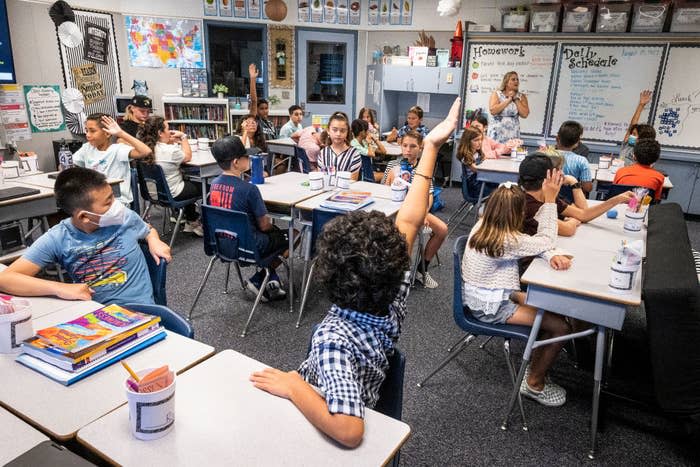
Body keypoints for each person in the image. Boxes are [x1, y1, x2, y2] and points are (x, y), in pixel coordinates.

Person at [249, 98, 461, 448]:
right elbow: (409, 218)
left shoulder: (333, 339)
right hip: (365, 389)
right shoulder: (393, 292)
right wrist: (432, 146)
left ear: (328, 274)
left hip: (320, 415)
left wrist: (293, 385)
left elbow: (349, 431)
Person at [461, 174, 572, 406]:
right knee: (560, 326)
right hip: (492, 307)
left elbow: (535, 242)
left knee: (553, 311)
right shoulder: (506, 240)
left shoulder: (485, 225)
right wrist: (550, 201)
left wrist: (550, 254)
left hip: (490, 295)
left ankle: (536, 365)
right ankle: (534, 383)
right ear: (517, 214)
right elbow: (546, 240)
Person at [0, 167, 171, 305]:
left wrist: (153, 239)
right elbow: (6, 279)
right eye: (108, 202)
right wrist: (59, 288)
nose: (117, 206)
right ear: (84, 216)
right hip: (92, 314)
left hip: (140, 313)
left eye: (113, 197)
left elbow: (146, 229)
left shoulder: (125, 217)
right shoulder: (59, 237)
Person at [208, 136, 287, 301]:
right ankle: (260, 279)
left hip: (223, 244)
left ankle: (268, 277)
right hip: (249, 247)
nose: (249, 159)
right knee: (293, 233)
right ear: (236, 162)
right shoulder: (249, 189)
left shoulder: (213, 185)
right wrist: (274, 228)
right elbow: (265, 227)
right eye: (246, 156)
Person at [382, 130, 447, 289]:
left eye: (413, 146)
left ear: (421, 148)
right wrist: (392, 179)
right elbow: (384, 189)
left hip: (417, 211)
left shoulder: (424, 167)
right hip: (393, 210)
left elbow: (429, 195)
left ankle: (420, 270)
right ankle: (392, 274)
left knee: (442, 230)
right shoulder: (393, 165)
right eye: (405, 145)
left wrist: (424, 213)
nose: (408, 150)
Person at [519, 154, 633, 237]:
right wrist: (573, 221)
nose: (562, 174)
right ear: (549, 178)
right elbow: (568, 230)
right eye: (558, 171)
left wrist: (617, 200)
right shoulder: (529, 205)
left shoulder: (546, 197)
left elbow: (583, 214)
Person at [138, 116, 203, 236]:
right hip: (173, 193)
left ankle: (191, 219)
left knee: (186, 180)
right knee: (206, 187)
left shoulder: (144, 149)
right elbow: (188, 156)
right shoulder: (171, 151)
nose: (170, 131)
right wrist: (183, 137)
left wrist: (167, 141)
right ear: (160, 133)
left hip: (153, 193)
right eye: (167, 129)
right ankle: (197, 223)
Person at [72, 113, 151, 207]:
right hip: (95, 198)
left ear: (107, 133)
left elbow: (146, 151)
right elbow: (70, 164)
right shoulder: (87, 148)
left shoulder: (117, 150)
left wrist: (121, 133)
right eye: (86, 130)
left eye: (92, 131)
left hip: (116, 201)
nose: (88, 135)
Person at [317, 112, 361, 180]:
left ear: (347, 132)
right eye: (334, 130)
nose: (338, 134)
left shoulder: (354, 154)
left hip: (346, 190)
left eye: (342, 131)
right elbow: (322, 179)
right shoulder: (323, 153)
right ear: (328, 130)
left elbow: (352, 181)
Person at [488, 71, 529, 143]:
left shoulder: (521, 96)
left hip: (513, 134)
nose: (516, 81)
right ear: (506, 82)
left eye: (517, 79)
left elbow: (525, 114)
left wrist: (515, 99)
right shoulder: (497, 94)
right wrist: (509, 100)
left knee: (511, 153)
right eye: (513, 79)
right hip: (497, 134)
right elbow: (493, 111)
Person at [555, 121, 593, 193]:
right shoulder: (582, 161)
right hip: (571, 200)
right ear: (577, 143)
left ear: (557, 139)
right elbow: (587, 188)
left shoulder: (546, 156)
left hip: (547, 198)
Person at [620, 90, 655, 166]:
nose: (631, 136)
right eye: (632, 133)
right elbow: (632, 125)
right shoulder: (628, 145)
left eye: (634, 134)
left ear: (643, 138)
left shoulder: (647, 155)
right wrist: (641, 105)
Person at [248, 63, 277, 140]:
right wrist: (253, 79)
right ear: (256, 110)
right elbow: (254, 101)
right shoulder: (255, 121)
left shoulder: (271, 124)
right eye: (261, 109)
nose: (265, 111)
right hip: (260, 151)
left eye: (266, 108)